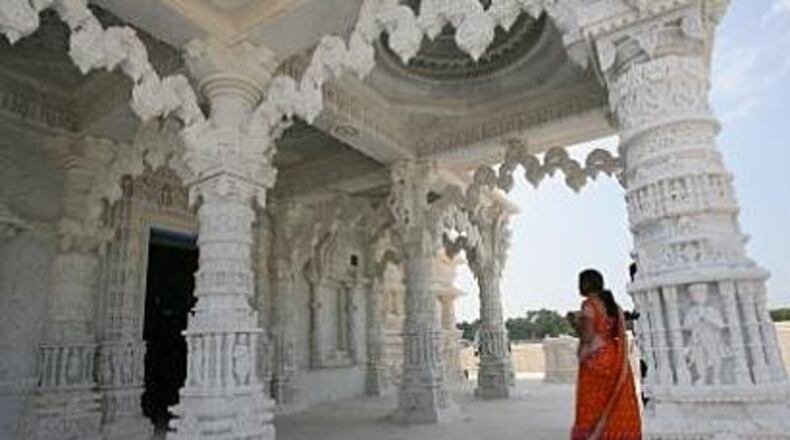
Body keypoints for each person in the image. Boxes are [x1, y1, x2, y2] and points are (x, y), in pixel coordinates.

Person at [570, 269, 642, 440]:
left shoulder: (589, 305)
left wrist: (576, 325)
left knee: (592, 406)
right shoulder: (613, 306)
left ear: (586, 284)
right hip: (612, 357)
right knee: (612, 404)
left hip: (595, 360)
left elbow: (587, 335)